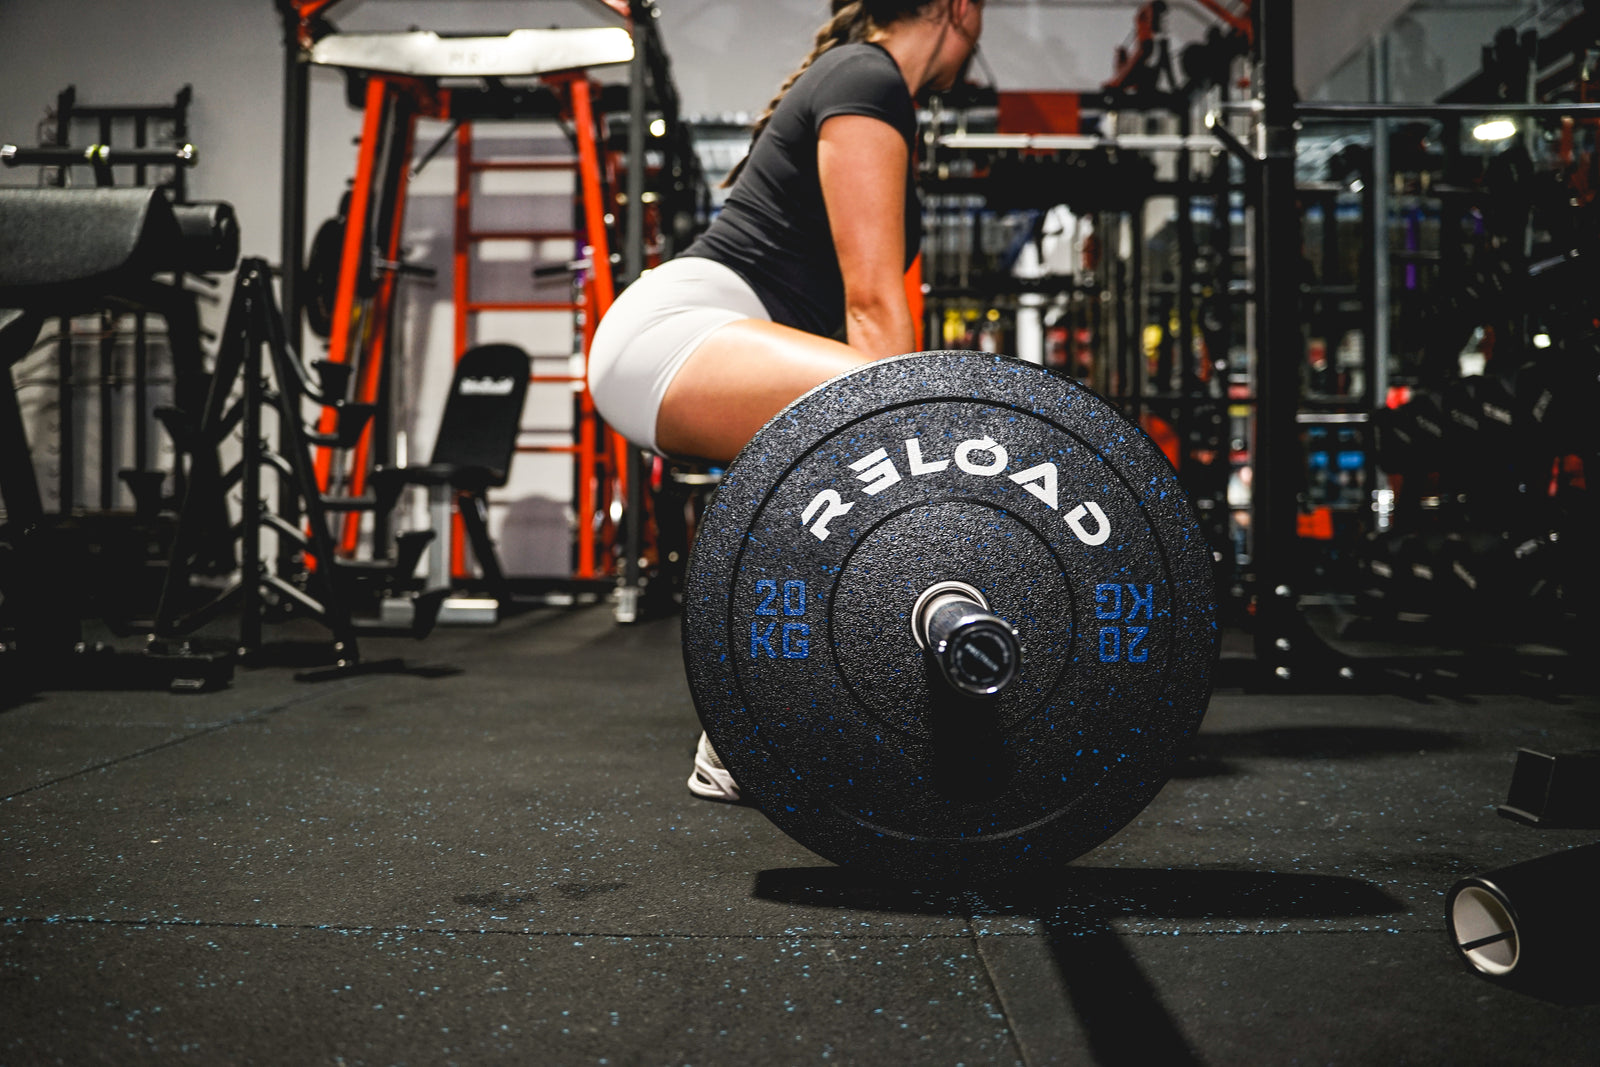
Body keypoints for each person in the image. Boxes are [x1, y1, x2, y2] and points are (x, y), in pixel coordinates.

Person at [587, 0, 986, 801]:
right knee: (893, 420)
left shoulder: (862, 79)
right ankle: (756, 728)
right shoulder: (867, 77)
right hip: (674, 332)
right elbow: (874, 308)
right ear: (957, 8)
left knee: (841, 487)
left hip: (701, 335)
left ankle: (745, 733)